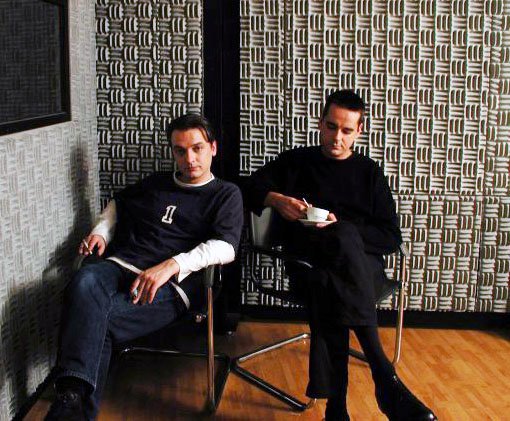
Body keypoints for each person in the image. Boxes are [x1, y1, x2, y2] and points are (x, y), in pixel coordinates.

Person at [243, 90, 437, 421]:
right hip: (307, 263)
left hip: (357, 270)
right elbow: (245, 187)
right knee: (328, 273)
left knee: (335, 264)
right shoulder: (297, 162)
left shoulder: (369, 173)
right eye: (331, 127)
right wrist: (276, 200)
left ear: (359, 131)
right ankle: (383, 374)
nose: (337, 137)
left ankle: (337, 409)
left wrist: (344, 229)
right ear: (320, 123)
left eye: (346, 130)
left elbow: (391, 236)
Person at [45, 114, 243, 421]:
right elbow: (118, 204)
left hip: (173, 284)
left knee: (97, 319)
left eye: (197, 148)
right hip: (122, 264)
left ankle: (71, 402)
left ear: (213, 148)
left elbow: (226, 247)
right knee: (83, 280)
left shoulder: (225, 193)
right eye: (180, 151)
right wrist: (101, 232)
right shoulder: (156, 184)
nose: (189, 159)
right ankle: (73, 399)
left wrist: (172, 265)